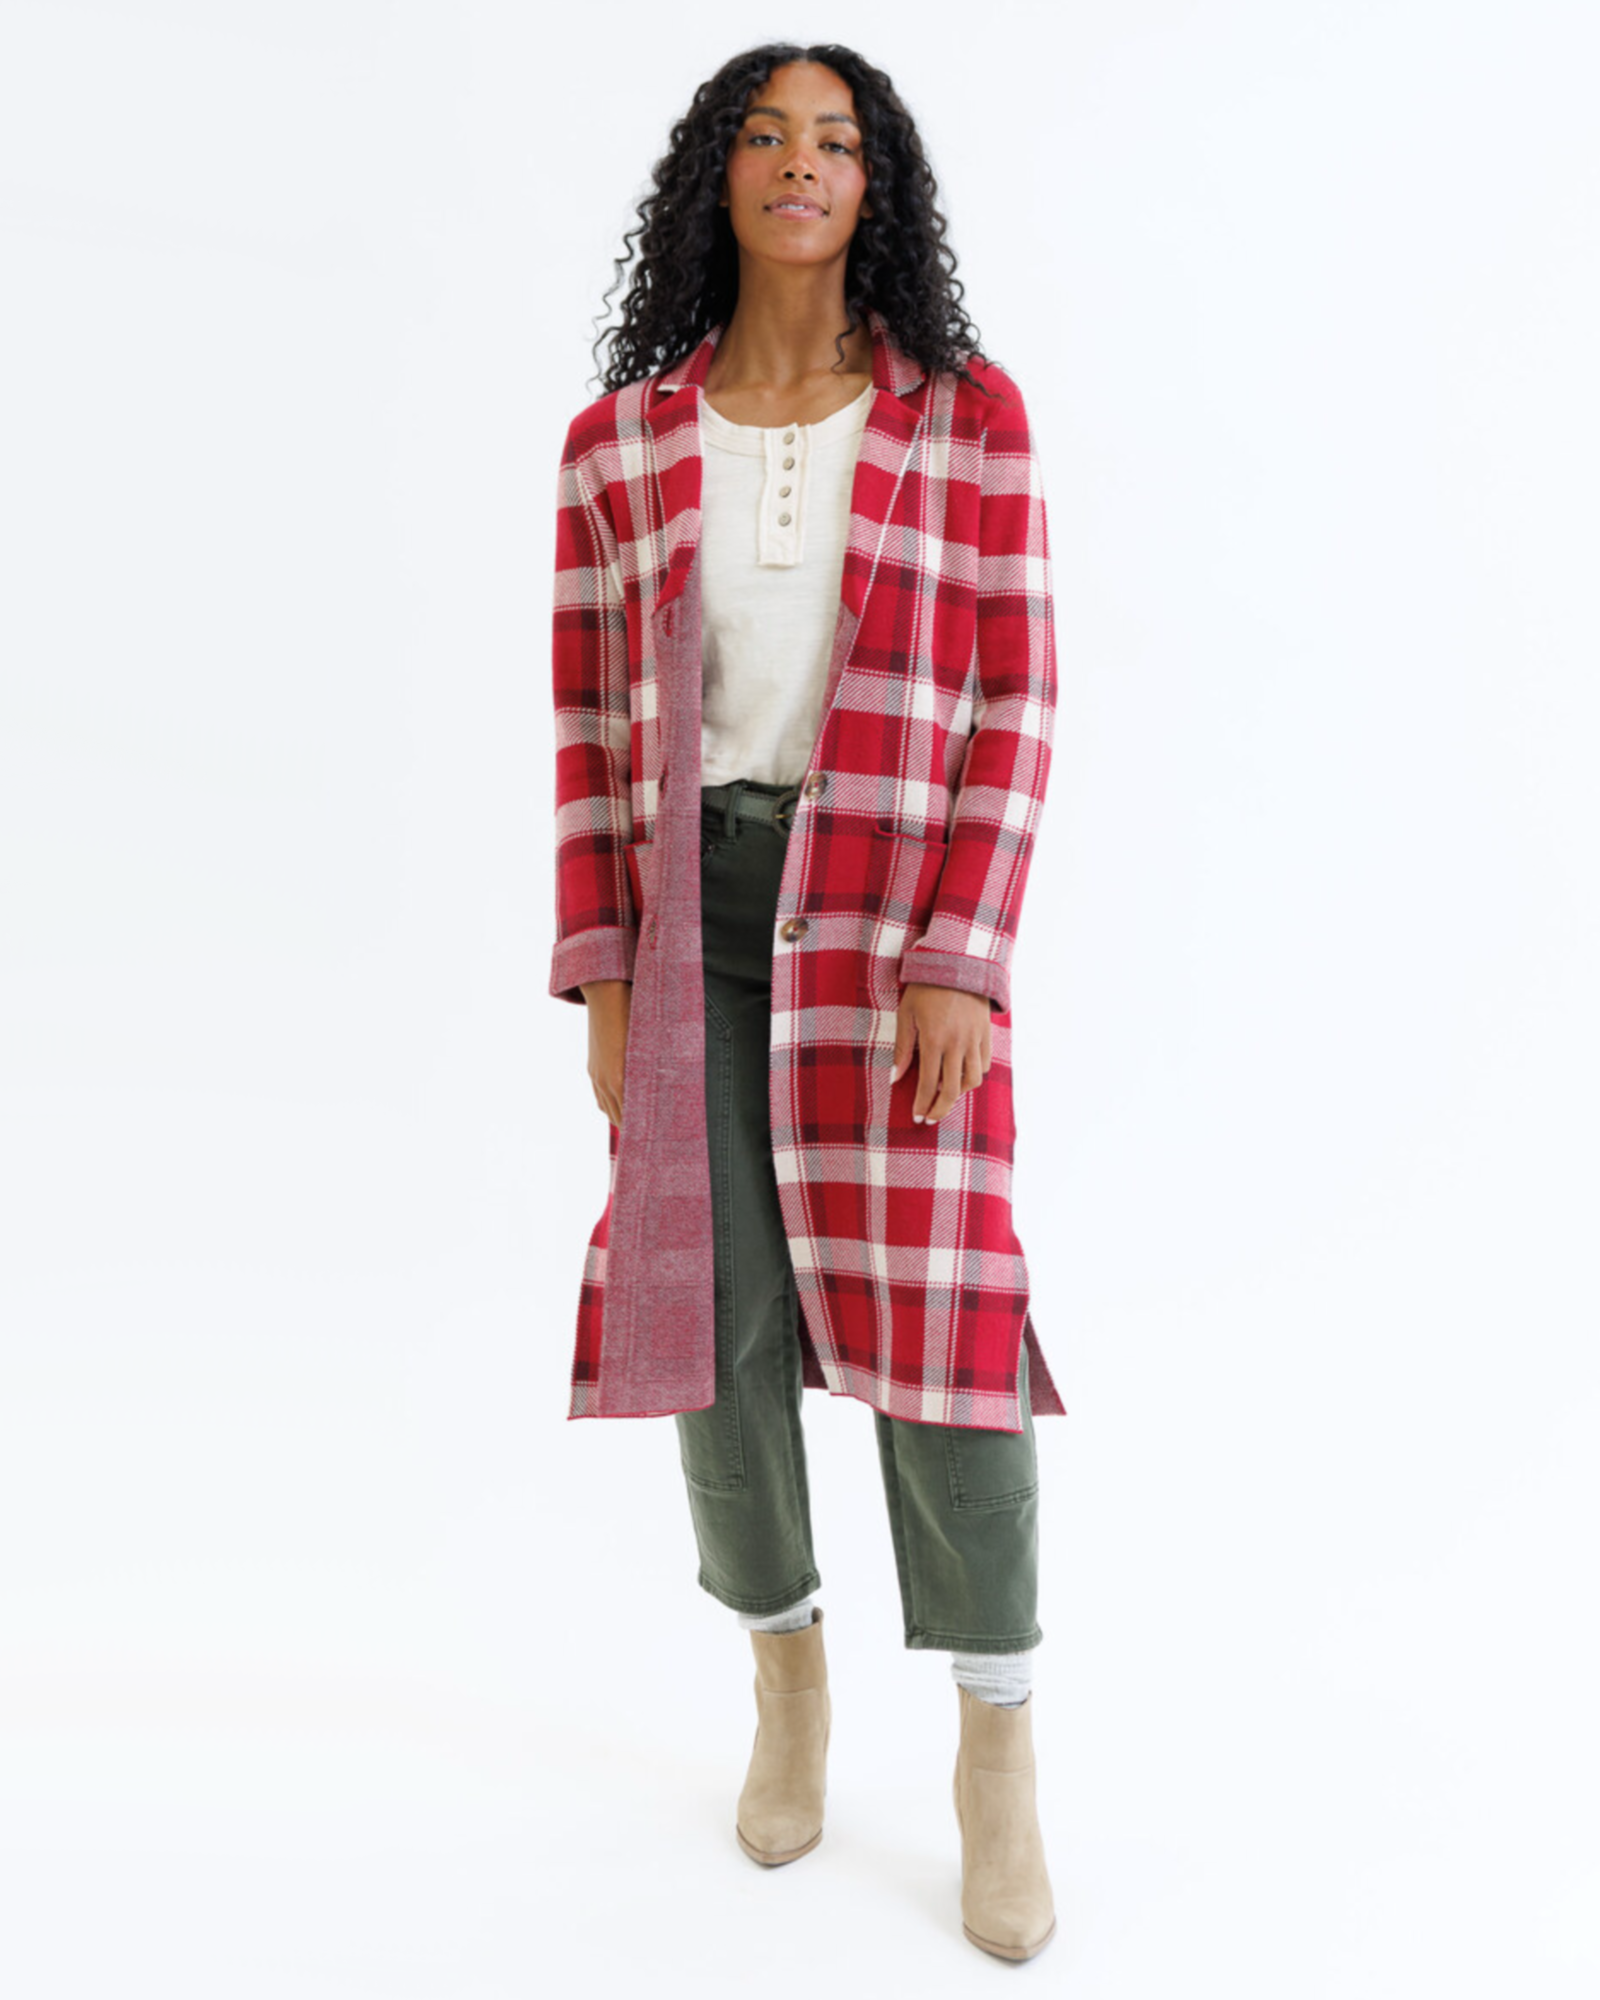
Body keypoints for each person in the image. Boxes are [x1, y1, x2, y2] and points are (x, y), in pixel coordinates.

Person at [549, 43, 1062, 1962]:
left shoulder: (966, 419)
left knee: (947, 1317)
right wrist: (602, 972)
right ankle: (786, 1682)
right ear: (719, 174)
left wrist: (961, 958)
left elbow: (1017, 700)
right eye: (765, 134)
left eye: (835, 140)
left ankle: (997, 1750)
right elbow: (583, 729)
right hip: (692, 917)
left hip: (885, 923)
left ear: (874, 185)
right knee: (713, 1317)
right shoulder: (619, 444)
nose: (799, 162)